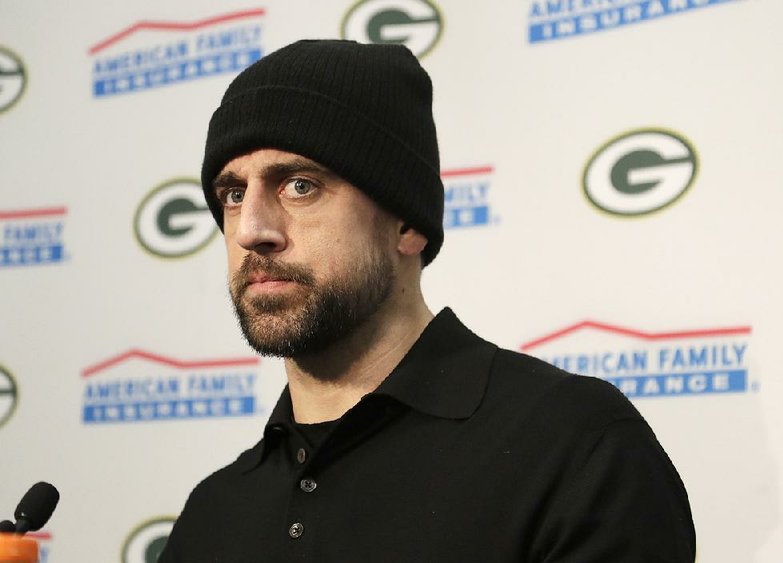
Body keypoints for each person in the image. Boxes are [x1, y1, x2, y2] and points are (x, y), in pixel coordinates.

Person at [158, 39, 695, 562]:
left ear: (407, 223)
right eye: (232, 194)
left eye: (299, 185)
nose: (251, 229)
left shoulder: (575, 449)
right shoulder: (214, 512)